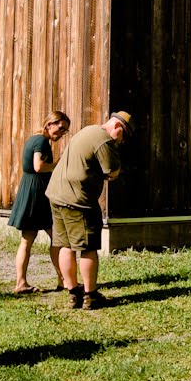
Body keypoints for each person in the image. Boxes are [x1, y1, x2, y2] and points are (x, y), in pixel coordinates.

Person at [46, 110, 131, 309]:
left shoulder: (88, 130)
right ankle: (90, 296)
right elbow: (112, 170)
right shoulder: (104, 140)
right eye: (124, 135)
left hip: (57, 194)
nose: (122, 140)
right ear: (118, 127)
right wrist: (115, 151)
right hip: (77, 201)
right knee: (87, 248)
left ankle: (73, 292)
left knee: (66, 245)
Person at [10, 111, 70, 295]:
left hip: (30, 189)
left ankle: (22, 283)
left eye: (65, 131)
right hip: (37, 194)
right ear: (50, 123)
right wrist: (57, 165)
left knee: (27, 241)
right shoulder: (42, 141)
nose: (61, 133)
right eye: (60, 128)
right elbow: (38, 166)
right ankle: (64, 281)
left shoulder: (33, 138)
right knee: (57, 237)